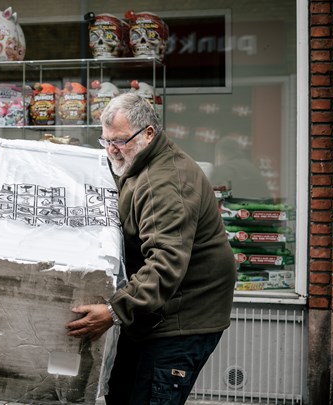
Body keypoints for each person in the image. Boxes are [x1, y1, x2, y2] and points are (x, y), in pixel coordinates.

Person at [65, 92, 236, 405]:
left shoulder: (164, 183)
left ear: (148, 133)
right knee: (121, 394)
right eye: (105, 141)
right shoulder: (138, 160)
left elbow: (166, 264)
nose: (112, 150)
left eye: (119, 141)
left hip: (182, 318)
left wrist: (115, 310)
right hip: (151, 313)